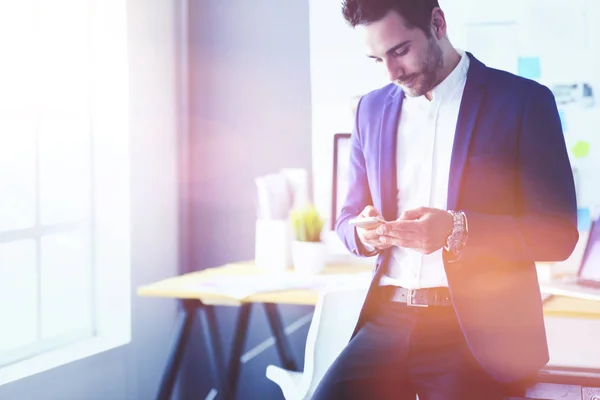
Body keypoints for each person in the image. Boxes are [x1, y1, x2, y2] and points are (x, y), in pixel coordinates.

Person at [312, 0, 579, 399]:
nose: (391, 72)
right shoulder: (369, 109)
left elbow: (558, 236)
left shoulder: (523, 102)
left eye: (400, 51)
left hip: (474, 332)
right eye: (376, 59)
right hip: (387, 318)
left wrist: (458, 228)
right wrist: (363, 234)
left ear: (438, 23)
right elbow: (347, 217)